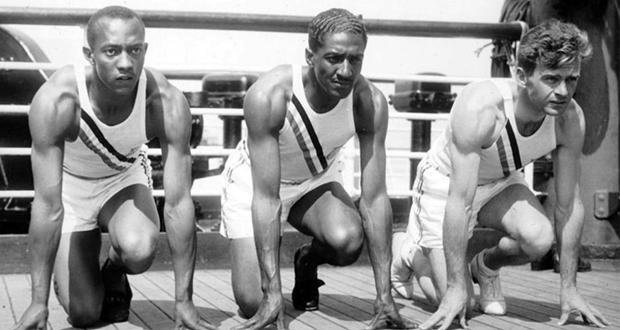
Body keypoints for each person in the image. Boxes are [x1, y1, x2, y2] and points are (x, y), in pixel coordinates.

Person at [390, 19, 610, 330]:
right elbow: (460, 200)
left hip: (501, 182)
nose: (563, 91)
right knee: (460, 304)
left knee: (540, 239)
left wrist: (569, 289)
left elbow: (568, 206)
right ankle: (409, 252)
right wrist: (454, 288)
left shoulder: (570, 119)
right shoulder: (482, 108)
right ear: (521, 76)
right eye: (551, 79)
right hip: (447, 184)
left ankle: (486, 267)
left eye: (571, 79)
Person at [12, 6, 214, 330]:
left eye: (135, 50)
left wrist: (184, 300)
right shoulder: (58, 100)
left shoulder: (164, 101)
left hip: (121, 179)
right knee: (84, 313)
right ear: (89, 55)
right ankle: (81, 259)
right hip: (70, 189)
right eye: (111, 51)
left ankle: (114, 268)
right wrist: (37, 303)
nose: (125, 63)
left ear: (144, 50)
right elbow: (47, 206)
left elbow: (178, 204)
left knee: (139, 249)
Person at [220, 8, 416, 330]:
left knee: (349, 241)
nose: (345, 70)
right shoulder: (270, 95)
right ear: (310, 55)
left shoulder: (370, 102)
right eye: (334, 58)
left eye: (356, 60)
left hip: (314, 180)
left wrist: (385, 297)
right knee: (253, 301)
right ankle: (267, 291)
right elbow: (267, 198)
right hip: (255, 184)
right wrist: (272, 293)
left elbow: (375, 198)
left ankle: (307, 261)